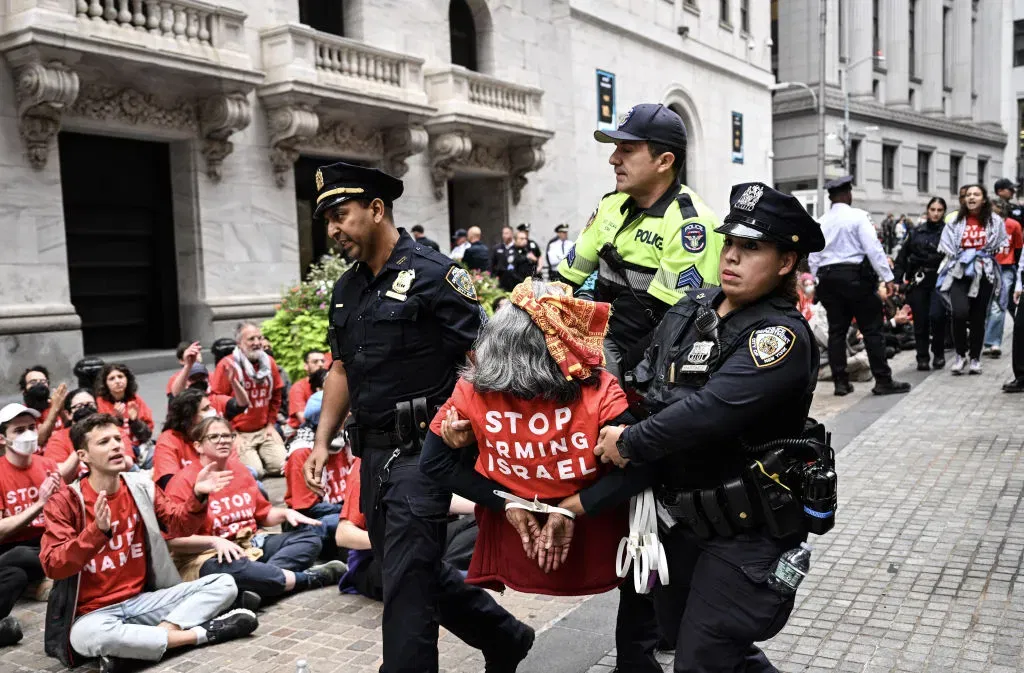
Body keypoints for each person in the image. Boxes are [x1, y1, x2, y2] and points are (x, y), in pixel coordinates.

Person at [301, 161, 534, 673]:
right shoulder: (347, 289)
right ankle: (505, 635)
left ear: (376, 208)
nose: (334, 230)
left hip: (427, 451)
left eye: (341, 214)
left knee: (405, 585)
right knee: (411, 568)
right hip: (373, 452)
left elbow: (483, 360)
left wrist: (471, 424)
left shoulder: (435, 273)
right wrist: (322, 442)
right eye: (328, 220)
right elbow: (340, 367)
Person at [587, 182, 828, 673]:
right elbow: (645, 386)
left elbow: (710, 410)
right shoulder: (691, 307)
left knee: (701, 659)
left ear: (786, 263)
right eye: (731, 243)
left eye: (752, 248)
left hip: (745, 530)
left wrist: (629, 442)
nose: (732, 257)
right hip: (682, 519)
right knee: (710, 649)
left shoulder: (778, 336)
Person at [419, 279, 638, 595]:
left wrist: (508, 501)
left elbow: (435, 463)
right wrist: (576, 505)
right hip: (598, 538)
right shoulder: (599, 389)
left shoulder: (471, 391)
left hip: (519, 543)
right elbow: (642, 464)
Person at [40, 413, 258, 670]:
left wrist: (198, 495)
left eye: (117, 439)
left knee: (225, 584)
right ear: (83, 456)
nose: (116, 446)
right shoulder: (64, 502)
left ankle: (146, 645)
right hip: (96, 613)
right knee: (82, 637)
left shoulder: (140, 485)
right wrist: (96, 532)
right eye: (103, 442)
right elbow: (54, 564)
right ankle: (199, 634)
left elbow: (178, 525)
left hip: (144, 601)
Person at [557, 103, 722, 383]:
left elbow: (672, 325)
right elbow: (564, 281)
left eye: (627, 150)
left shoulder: (691, 224)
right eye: (616, 148)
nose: (613, 159)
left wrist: (596, 358)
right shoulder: (610, 205)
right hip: (596, 343)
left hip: (645, 370)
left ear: (664, 161)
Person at [164, 416, 345, 603]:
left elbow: (263, 514)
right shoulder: (182, 481)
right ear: (198, 446)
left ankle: (260, 585)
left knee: (310, 539)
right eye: (215, 437)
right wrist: (215, 542)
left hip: (250, 544)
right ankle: (305, 579)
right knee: (233, 568)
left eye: (228, 436)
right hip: (205, 555)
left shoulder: (240, 470)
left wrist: (285, 513)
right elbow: (174, 541)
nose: (223, 440)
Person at [809, 175, 911, 396]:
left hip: (829, 279)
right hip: (856, 279)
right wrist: (888, 277)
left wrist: (819, 280)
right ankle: (883, 380)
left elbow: (814, 256)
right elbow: (873, 248)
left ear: (830, 197)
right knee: (872, 330)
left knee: (837, 332)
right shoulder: (858, 217)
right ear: (848, 194)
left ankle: (840, 382)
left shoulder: (820, 221)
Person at [937, 184, 1008, 375]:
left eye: (976, 194)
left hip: (984, 273)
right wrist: (963, 256)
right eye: (968, 195)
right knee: (958, 313)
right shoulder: (955, 220)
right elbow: (946, 244)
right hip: (959, 271)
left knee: (978, 317)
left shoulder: (995, 221)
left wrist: (983, 255)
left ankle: (975, 358)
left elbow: (1002, 242)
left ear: (984, 199)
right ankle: (961, 355)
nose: (971, 198)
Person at [0, 403, 63, 606]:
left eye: (31, 428)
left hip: (46, 541)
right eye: (19, 430)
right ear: (2, 438)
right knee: (20, 559)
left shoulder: (48, 464)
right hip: (11, 547)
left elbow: (66, 513)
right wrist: (40, 503)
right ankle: (47, 579)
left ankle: (39, 582)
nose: (28, 434)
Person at [210, 322, 286, 478]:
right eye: (251, 339)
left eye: (259, 338)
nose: (257, 343)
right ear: (239, 343)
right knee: (255, 472)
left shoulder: (269, 362)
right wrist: (231, 434)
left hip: (264, 430)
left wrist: (271, 425)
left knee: (283, 467)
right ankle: (252, 458)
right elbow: (215, 401)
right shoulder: (227, 365)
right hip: (238, 433)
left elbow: (277, 394)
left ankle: (260, 456)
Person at [284, 379, 351, 546]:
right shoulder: (301, 452)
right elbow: (307, 508)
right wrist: (350, 509)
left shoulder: (344, 441)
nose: (349, 414)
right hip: (311, 521)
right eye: (343, 412)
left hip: (340, 508)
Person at [894, 196, 950, 370]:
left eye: (939, 210)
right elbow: (902, 257)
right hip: (918, 281)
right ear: (927, 210)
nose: (935, 213)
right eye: (932, 209)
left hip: (940, 281)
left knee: (937, 317)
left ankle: (939, 353)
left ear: (943, 212)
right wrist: (897, 280)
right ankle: (922, 357)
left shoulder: (949, 232)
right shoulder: (916, 232)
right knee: (920, 321)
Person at [154, 389, 246, 489]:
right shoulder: (167, 440)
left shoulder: (215, 432)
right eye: (206, 409)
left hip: (222, 485)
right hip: (190, 495)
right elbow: (170, 485)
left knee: (251, 476)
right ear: (190, 416)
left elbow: (233, 467)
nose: (213, 411)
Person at [44, 389, 135, 480]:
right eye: (79, 406)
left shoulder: (114, 430)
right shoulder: (58, 438)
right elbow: (59, 476)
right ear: (68, 414)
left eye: (90, 405)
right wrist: (83, 442)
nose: (86, 409)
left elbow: (128, 464)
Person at [983, 199, 1023, 357]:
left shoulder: (1013, 225)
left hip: (1006, 268)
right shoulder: (984, 225)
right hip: (986, 267)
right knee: (985, 305)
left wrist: (1017, 271)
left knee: (999, 305)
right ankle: (986, 339)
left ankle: (993, 342)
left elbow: (1018, 247)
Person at [94, 363, 155, 449]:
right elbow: (99, 435)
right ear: (105, 383)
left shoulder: (136, 400)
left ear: (127, 379)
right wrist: (117, 419)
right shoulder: (99, 403)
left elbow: (146, 435)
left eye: (120, 376)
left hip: (138, 447)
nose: (118, 381)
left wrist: (135, 421)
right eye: (112, 379)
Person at [287, 349, 327, 430]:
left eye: (323, 361)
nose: (320, 364)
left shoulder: (331, 385)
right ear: (305, 366)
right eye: (315, 362)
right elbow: (303, 419)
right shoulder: (298, 387)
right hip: (300, 431)